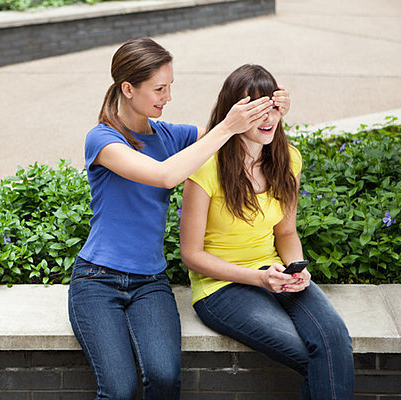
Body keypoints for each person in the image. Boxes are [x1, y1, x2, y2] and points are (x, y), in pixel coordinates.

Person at [67, 38, 290, 399]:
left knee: (166, 378)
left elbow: (237, 139)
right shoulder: (103, 140)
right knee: (119, 389)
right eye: (159, 88)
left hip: (150, 283)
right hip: (97, 280)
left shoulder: (171, 135)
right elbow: (166, 175)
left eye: (169, 87)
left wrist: (274, 112)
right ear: (128, 88)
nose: (167, 97)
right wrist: (225, 128)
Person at [179, 64, 354, 399]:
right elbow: (191, 255)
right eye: (256, 109)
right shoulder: (205, 165)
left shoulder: (288, 159)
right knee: (314, 357)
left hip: (275, 272)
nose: (268, 118)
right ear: (234, 113)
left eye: (272, 107)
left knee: (334, 340)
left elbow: (286, 233)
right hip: (221, 287)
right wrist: (259, 278)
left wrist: (298, 270)